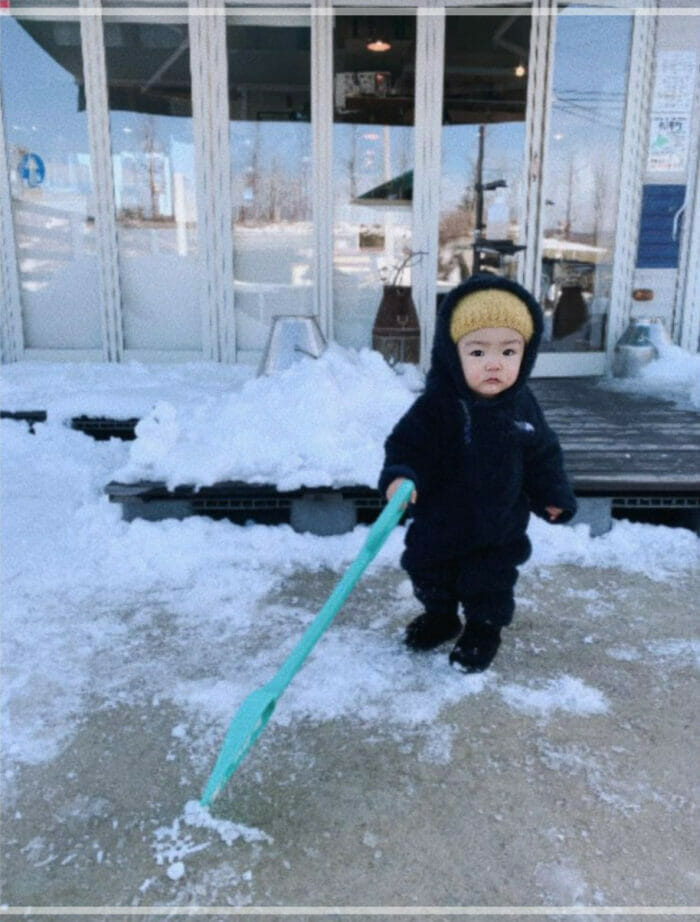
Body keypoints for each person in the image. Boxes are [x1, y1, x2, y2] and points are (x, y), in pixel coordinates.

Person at [378, 273, 577, 673]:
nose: (493, 364)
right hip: (438, 522)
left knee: (489, 584)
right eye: (477, 352)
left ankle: (483, 631)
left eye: (508, 352)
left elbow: (543, 456)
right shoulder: (437, 406)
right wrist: (401, 477)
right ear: (453, 354)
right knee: (428, 573)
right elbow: (406, 446)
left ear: (527, 354)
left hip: (497, 528)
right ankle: (441, 617)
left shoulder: (522, 408)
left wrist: (553, 495)